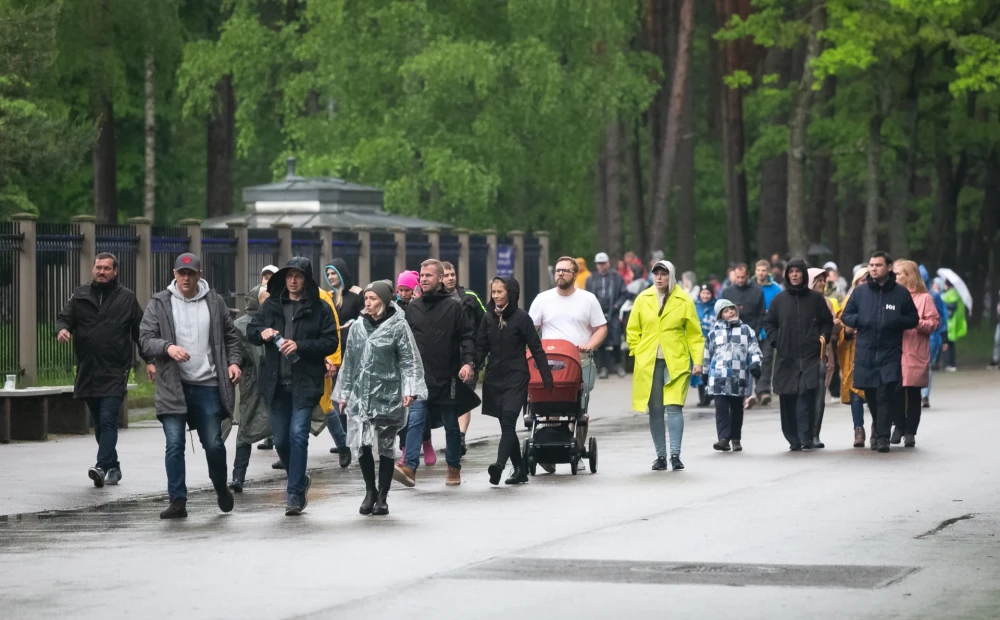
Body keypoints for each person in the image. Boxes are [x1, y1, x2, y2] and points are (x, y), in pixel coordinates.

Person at [138, 253, 242, 519]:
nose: (186, 278)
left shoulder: (214, 302)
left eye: (191, 273)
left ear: (200, 274)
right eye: (181, 273)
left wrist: (233, 362)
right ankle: (178, 501)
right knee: (174, 445)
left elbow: (230, 337)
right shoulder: (160, 302)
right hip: (173, 385)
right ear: (174, 274)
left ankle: (221, 487)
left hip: (207, 385)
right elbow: (146, 339)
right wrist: (168, 347)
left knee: (214, 444)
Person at [248, 257, 339, 515]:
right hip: (276, 383)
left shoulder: (320, 308)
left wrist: (300, 345)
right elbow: (252, 330)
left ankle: (294, 494)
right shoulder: (273, 305)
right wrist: (263, 333)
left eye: (298, 276)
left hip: (305, 382)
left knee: (298, 434)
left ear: (307, 279)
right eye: (289, 276)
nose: (293, 280)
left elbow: (330, 342)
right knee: (280, 439)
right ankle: (298, 480)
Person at [335, 280, 426, 516]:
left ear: (384, 301)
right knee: (363, 444)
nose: (368, 302)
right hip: (361, 394)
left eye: (373, 298)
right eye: (366, 298)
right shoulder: (357, 327)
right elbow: (349, 362)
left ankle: (383, 496)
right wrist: (343, 392)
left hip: (389, 393)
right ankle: (370, 491)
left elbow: (409, 361)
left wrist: (409, 389)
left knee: (386, 445)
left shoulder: (399, 326)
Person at [56, 253, 146, 488]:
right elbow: (64, 318)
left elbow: (140, 332)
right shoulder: (80, 295)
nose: (101, 272)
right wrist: (62, 330)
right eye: (98, 268)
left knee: (107, 419)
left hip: (115, 369)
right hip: (88, 369)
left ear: (115, 271)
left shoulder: (126, 298)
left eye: (106, 268)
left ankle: (101, 466)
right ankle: (113, 465)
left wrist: (150, 360)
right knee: (99, 422)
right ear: (93, 269)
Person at [395, 259, 479, 488]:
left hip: (448, 377)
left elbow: (467, 336)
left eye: (428, 275)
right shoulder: (414, 307)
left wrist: (468, 363)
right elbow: (404, 342)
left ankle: (453, 467)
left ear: (440, 278)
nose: (423, 279)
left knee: (452, 425)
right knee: (415, 421)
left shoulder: (454, 306)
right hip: (420, 378)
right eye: (421, 275)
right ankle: (410, 468)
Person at [528, 256, 607, 472]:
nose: (560, 273)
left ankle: (576, 448)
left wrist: (590, 344)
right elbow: (530, 329)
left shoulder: (588, 299)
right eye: (558, 270)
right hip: (549, 363)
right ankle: (547, 447)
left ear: (575, 274)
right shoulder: (542, 299)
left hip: (580, 362)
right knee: (548, 406)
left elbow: (601, 327)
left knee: (577, 408)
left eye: (565, 270)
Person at [626, 259, 704, 471]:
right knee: (656, 409)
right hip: (649, 362)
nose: (659, 278)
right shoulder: (643, 299)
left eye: (664, 274)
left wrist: (697, 360)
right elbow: (633, 329)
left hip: (676, 361)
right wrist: (637, 350)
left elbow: (695, 334)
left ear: (671, 275)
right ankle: (660, 456)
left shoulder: (684, 300)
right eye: (656, 274)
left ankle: (676, 455)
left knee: (674, 407)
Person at [476, 277, 553, 485]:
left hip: (516, 377)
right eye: (493, 292)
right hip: (494, 379)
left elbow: (536, 348)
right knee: (506, 428)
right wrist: (471, 368)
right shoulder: (488, 318)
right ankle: (520, 470)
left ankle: (499, 466)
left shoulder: (521, 318)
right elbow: (481, 347)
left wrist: (547, 378)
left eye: (500, 292)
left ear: (510, 293)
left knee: (509, 422)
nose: (496, 296)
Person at [840, 251, 919, 453]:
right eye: (871, 265)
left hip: (890, 351)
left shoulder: (900, 293)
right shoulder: (860, 292)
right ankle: (879, 425)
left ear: (889, 267)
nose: (873, 268)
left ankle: (882, 437)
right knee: (872, 395)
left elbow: (913, 319)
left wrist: (896, 321)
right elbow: (847, 315)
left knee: (886, 393)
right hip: (865, 351)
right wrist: (861, 320)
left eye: (878, 265)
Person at [761, 259, 834, 451]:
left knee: (806, 395)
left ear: (803, 274)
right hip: (787, 356)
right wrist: (777, 340)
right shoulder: (779, 300)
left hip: (810, 355)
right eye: (791, 272)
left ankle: (806, 437)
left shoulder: (815, 299)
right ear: (787, 275)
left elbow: (827, 322)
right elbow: (769, 323)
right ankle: (793, 438)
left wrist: (822, 338)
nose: (794, 275)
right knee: (788, 397)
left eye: (798, 271)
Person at [228, 287, 274, 493]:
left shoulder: (277, 320)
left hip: (275, 383)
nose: (268, 302)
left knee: (282, 430)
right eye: (264, 298)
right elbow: (234, 352)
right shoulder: (240, 325)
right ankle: (238, 476)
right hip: (251, 384)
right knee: (245, 430)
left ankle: (296, 477)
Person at [703, 299, 762, 452]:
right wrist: (704, 371)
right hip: (718, 378)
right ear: (720, 315)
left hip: (738, 377)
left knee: (737, 409)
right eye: (726, 310)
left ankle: (735, 438)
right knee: (721, 409)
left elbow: (754, 349)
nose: (731, 311)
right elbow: (707, 354)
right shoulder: (713, 333)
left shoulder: (746, 330)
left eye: (732, 308)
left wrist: (755, 363)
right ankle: (723, 439)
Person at [892, 260, 939, 448]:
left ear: (909, 276)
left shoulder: (924, 298)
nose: (894, 278)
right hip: (894, 350)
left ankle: (910, 431)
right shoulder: (891, 296)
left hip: (914, 349)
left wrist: (916, 323)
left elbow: (933, 323)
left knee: (912, 392)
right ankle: (899, 425)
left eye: (898, 274)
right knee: (894, 390)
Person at [441, 261, 485, 456]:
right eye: (447, 275)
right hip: (444, 357)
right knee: (448, 399)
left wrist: (479, 352)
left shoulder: (469, 297)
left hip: (468, 355)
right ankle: (452, 434)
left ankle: (461, 436)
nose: (451, 277)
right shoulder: (435, 299)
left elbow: (485, 322)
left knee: (464, 395)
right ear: (439, 278)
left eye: (453, 274)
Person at [395, 269, 436, 466]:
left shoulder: (420, 306)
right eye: (400, 290)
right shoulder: (394, 309)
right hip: (401, 365)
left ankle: (426, 442)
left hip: (422, 362)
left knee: (420, 407)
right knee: (404, 409)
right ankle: (404, 448)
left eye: (407, 289)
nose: (404, 294)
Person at [322, 259, 360, 458]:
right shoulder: (329, 297)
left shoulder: (356, 293)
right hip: (334, 351)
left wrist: (354, 322)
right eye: (328, 274)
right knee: (337, 396)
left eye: (334, 273)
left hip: (353, 351)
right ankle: (343, 438)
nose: (330, 278)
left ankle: (357, 437)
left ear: (342, 273)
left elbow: (366, 316)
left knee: (351, 395)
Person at [721, 263, 765, 409]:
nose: (740, 280)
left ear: (747, 276)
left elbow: (761, 314)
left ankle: (747, 394)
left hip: (750, 333)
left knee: (748, 365)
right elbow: (720, 313)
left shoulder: (757, 291)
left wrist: (756, 331)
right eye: (737, 277)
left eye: (742, 277)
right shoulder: (727, 292)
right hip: (731, 334)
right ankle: (735, 393)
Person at [836, 268, 871, 448]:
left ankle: (878, 428)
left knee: (875, 392)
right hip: (854, 351)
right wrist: (847, 332)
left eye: (868, 280)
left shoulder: (879, 298)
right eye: (861, 281)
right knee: (855, 390)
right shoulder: (849, 300)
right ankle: (858, 429)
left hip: (874, 350)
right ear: (855, 283)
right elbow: (841, 325)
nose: (864, 284)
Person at [586, 251, 629, 379]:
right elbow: (587, 296)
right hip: (597, 313)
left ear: (608, 263)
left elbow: (624, 293)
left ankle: (618, 365)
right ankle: (603, 368)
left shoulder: (617, 277)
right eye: (599, 263)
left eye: (603, 263)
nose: (601, 266)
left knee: (616, 340)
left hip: (613, 312)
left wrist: (617, 306)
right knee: (600, 342)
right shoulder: (591, 279)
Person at [807, 268, 837, 448]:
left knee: (820, 395)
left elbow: (831, 326)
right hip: (805, 353)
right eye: (819, 280)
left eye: (824, 280)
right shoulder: (800, 301)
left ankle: (815, 433)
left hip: (824, 353)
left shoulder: (827, 302)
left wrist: (836, 327)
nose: (823, 284)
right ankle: (804, 432)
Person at [753, 259, 782, 406]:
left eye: (763, 270)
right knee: (754, 361)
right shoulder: (750, 287)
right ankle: (756, 389)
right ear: (755, 271)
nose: (761, 273)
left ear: (768, 272)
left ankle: (764, 390)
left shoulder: (775, 289)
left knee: (767, 360)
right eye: (758, 270)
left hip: (768, 330)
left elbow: (780, 305)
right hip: (752, 329)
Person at [919, 266, 948, 407]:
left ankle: (924, 395)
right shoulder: (909, 294)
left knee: (926, 365)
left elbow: (941, 316)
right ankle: (918, 393)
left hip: (931, 336)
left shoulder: (934, 296)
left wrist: (943, 336)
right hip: (918, 336)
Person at [694, 285, 716, 407]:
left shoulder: (717, 307)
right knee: (700, 370)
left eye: (708, 293)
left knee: (712, 370)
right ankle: (703, 397)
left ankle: (711, 393)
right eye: (703, 293)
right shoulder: (695, 307)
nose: (705, 296)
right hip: (698, 343)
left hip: (713, 344)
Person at [940, 275, 967, 371]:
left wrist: (942, 302)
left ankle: (949, 364)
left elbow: (952, 305)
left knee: (947, 343)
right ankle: (952, 363)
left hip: (950, 323)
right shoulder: (955, 292)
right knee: (950, 344)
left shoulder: (951, 293)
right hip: (952, 322)